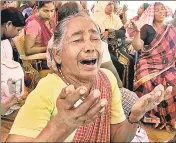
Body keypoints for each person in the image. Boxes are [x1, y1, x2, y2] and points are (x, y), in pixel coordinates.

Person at [6, 13, 172, 142]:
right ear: (57, 55)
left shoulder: (106, 79)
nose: (90, 47)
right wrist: (61, 126)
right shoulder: (46, 89)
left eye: (95, 38)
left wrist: (135, 117)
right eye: (77, 40)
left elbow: (117, 139)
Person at [132, 2, 176, 132]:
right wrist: (137, 32)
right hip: (148, 62)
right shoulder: (146, 28)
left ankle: (167, 119)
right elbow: (137, 46)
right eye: (157, 10)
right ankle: (151, 118)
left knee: (172, 80)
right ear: (152, 12)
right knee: (146, 81)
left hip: (167, 64)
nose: (161, 12)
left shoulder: (170, 29)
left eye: (163, 9)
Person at [91, 1, 134, 91]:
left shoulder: (115, 18)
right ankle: (117, 89)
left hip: (116, 48)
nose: (112, 6)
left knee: (130, 60)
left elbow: (122, 33)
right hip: (102, 50)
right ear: (102, 6)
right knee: (120, 64)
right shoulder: (94, 19)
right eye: (109, 4)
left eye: (112, 4)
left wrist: (111, 32)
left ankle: (127, 89)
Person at [1, 7, 27, 116]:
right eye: (18, 30)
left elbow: (11, 70)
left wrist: (18, 90)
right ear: (8, 24)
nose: (18, 34)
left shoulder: (6, 43)